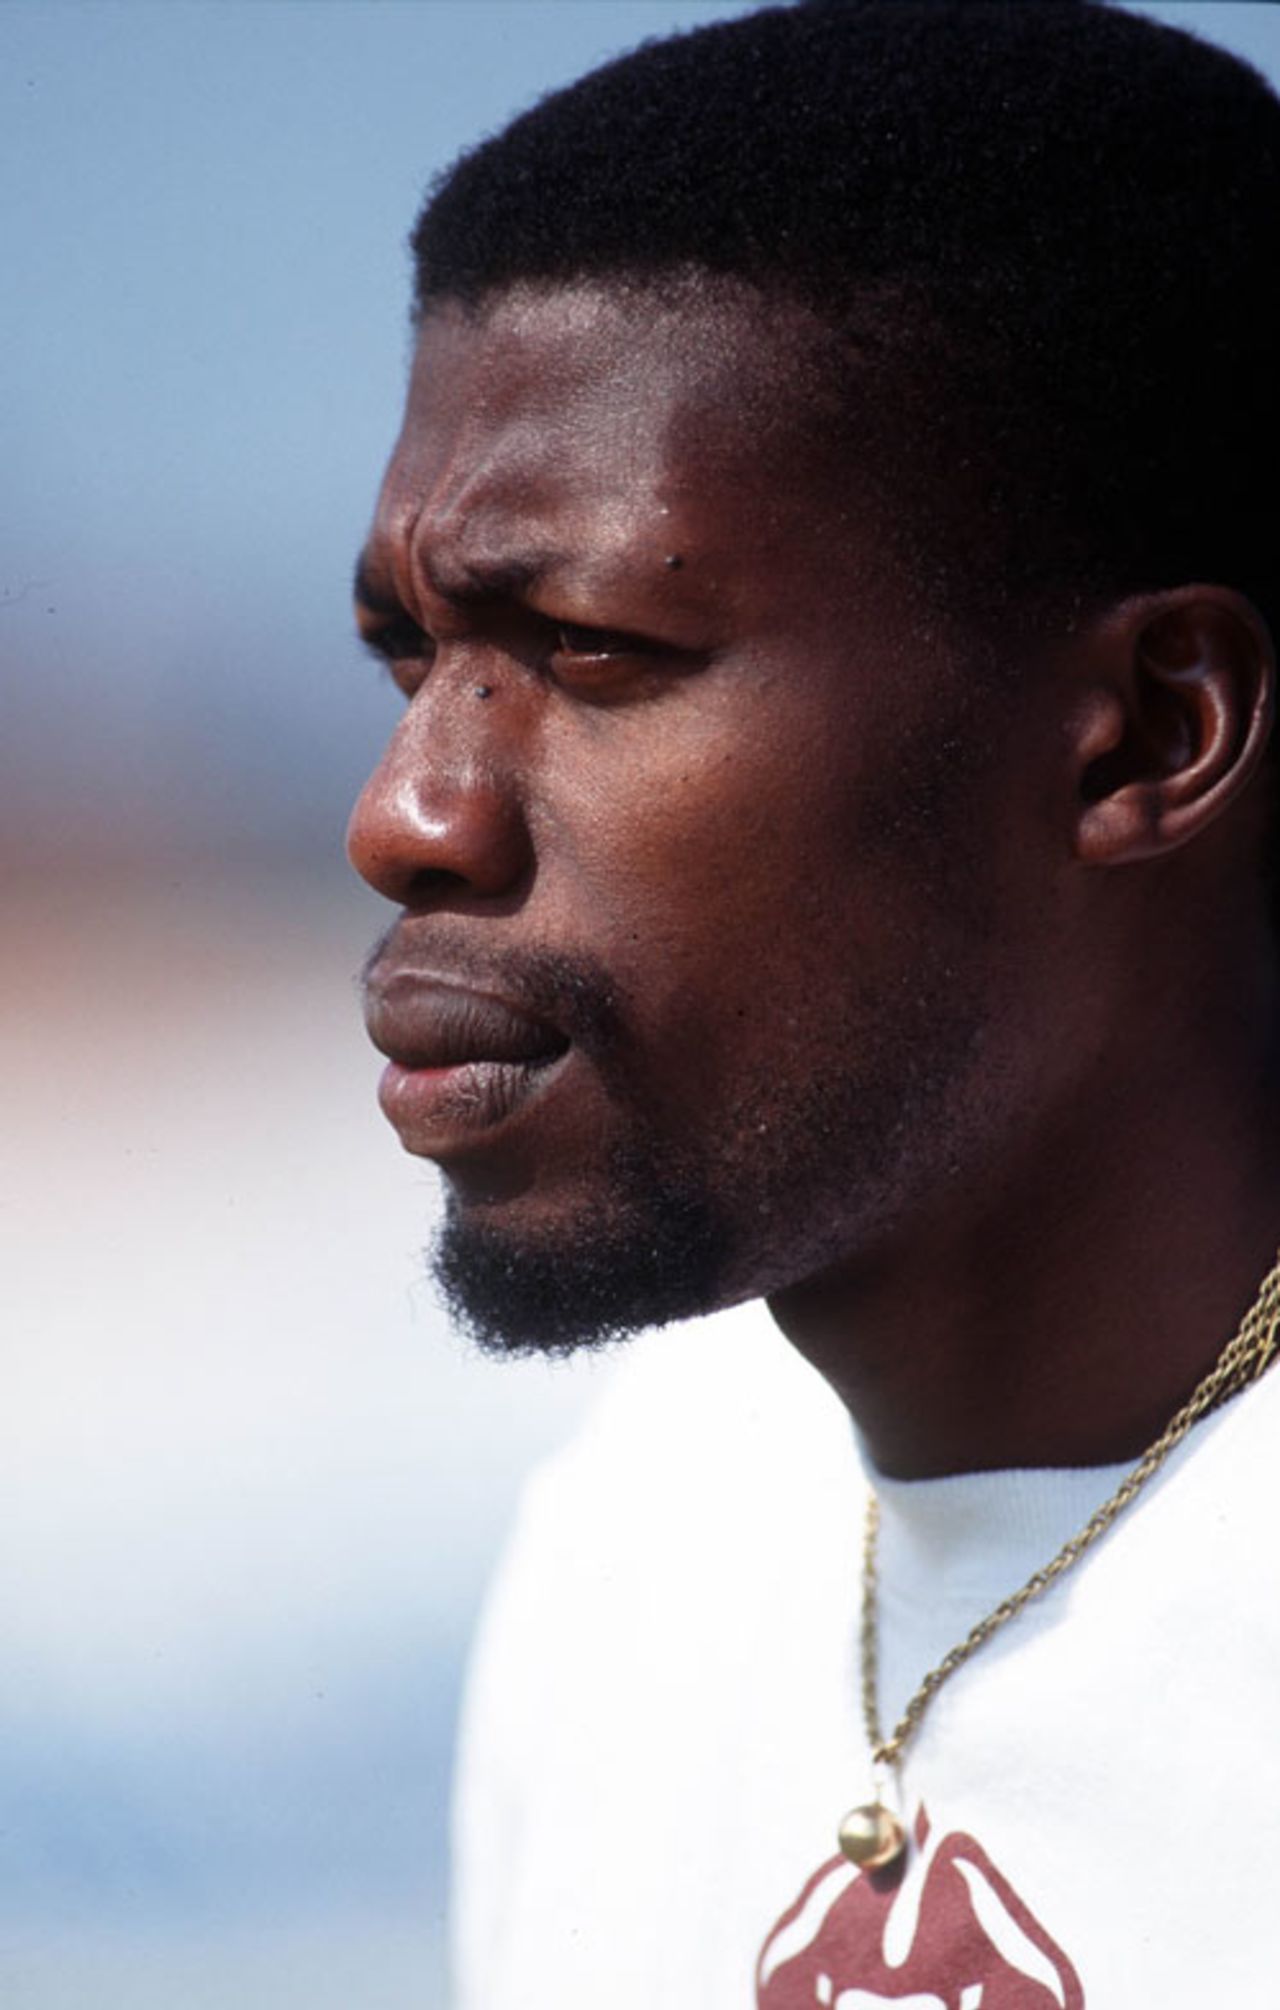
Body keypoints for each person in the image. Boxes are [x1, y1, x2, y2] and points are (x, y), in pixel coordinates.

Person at [347, 0, 1280, 2001]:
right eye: (409, 658)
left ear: (1138, 733)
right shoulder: (635, 1549)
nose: (406, 815)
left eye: (586, 645)